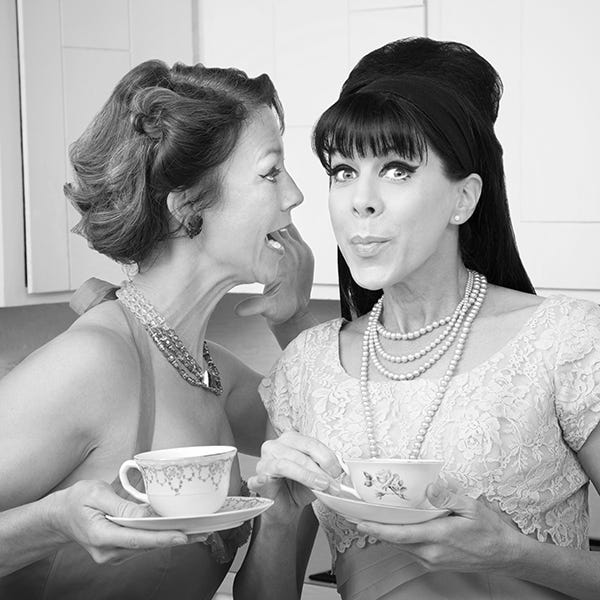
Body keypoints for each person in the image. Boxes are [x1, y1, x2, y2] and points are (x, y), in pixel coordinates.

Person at [242, 37, 600, 599]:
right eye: (342, 170)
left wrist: (513, 553)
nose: (361, 199)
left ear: (464, 198)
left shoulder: (567, 343)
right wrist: (279, 517)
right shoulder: (305, 367)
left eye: (397, 169)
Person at [0, 59, 315, 599]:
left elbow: (336, 429)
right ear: (188, 205)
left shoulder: (219, 378)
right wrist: (51, 523)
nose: (294, 195)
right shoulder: (90, 366)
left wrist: (293, 319)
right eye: (270, 172)